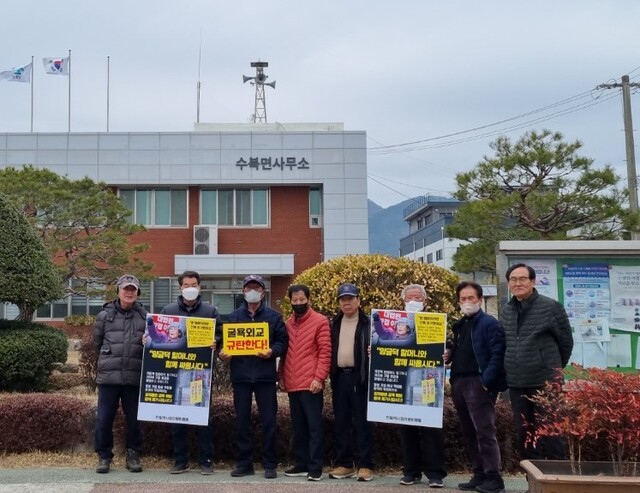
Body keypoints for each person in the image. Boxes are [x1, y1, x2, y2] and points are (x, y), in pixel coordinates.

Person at [501, 263, 574, 461]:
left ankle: (557, 485)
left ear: (533, 281)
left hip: (546, 383)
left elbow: (566, 342)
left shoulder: (550, 306)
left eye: (523, 279)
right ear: (509, 284)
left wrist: (552, 369)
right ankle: (533, 483)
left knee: (551, 434)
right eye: (513, 280)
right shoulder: (507, 310)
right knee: (524, 435)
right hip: (517, 383)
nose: (518, 283)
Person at [219, 274, 288, 479]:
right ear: (243, 292)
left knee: (269, 420)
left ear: (263, 292)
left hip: (264, 376)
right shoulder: (233, 317)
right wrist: (223, 353)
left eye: (256, 288)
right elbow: (225, 344)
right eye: (249, 288)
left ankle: (269, 463)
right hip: (240, 376)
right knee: (242, 421)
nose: (252, 292)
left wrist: (272, 352)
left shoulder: (274, 317)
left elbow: (282, 342)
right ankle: (244, 463)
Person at [444, 281, 507, 493]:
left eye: (471, 298)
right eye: (463, 299)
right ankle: (478, 474)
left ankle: (493, 477)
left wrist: (485, 381)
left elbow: (497, 355)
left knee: (484, 432)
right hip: (459, 382)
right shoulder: (460, 325)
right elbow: (463, 351)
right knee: (469, 432)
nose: (467, 302)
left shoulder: (490, 323)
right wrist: (450, 354)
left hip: (477, 382)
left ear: (480, 300)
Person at [160, 271, 223, 475]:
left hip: (199, 374)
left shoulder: (210, 311)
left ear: (199, 287)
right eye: (186, 284)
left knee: (201, 414)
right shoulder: (169, 310)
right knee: (177, 415)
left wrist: (216, 341)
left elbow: (220, 334)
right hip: (176, 371)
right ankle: (180, 460)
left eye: (194, 284)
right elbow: (159, 336)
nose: (190, 288)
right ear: (179, 287)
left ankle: (205, 459)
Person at [93, 274, 147, 474]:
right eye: (126, 289)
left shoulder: (144, 317)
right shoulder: (104, 316)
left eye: (133, 289)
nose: (129, 292)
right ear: (118, 291)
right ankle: (104, 456)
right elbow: (96, 344)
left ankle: (133, 454)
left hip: (134, 375)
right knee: (104, 418)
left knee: (134, 419)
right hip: (109, 377)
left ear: (137, 293)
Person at [395, 284, 447, 489]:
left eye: (417, 297)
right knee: (406, 427)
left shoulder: (434, 321)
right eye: (410, 298)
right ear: (403, 301)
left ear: (424, 301)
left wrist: (447, 353)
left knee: (430, 427)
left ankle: (435, 473)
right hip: (403, 379)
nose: (413, 301)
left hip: (427, 380)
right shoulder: (396, 321)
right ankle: (411, 471)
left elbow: (445, 346)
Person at [278, 284, 331, 481]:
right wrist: (281, 375)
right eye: (295, 300)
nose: (298, 303)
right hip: (292, 383)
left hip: (311, 384)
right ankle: (301, 463)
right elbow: (284, 353)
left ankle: (315, 467)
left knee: (314, 427)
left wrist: (319, 378)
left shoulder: (320, 321)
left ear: (309, 299)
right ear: (290, 301)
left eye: (302, 299)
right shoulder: (288, 323)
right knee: (298, 427)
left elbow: (325, 351)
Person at [328, 283, 374, 482]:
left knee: (363, 422)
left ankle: (366, 465)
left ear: (358, 300)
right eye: (343, 299)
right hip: (339, 377)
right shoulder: (334, 323)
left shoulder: (370, 323)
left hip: (360, 377)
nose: (346, 303)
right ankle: (345, 464)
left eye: (350, 298)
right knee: (341, 422)